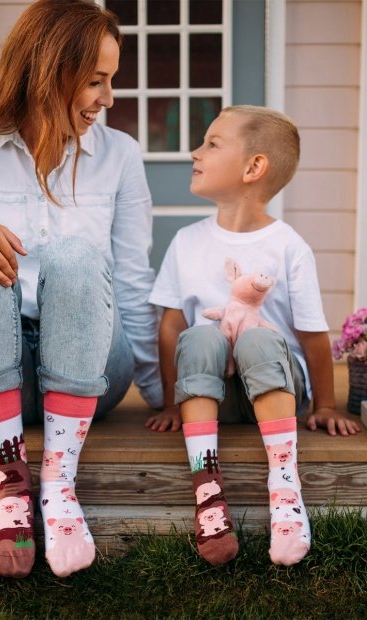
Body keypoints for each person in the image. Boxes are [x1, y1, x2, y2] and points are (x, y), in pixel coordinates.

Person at [0, 0, 162, 579]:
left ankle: (59, 484)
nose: (108, 98)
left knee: (74, 255)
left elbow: (129, 277)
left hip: (89, 371)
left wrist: (158, 390)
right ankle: (12, 490)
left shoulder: (121, 156)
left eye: (111, 81)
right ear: (48, 72)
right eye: (95, 81)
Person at [147, 105, 361, 568]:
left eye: (211, 143)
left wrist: (325, 404)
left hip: (277, 392)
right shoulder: (186, 241)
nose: (195, 151)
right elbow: (170, 327)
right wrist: (170, 401)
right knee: (202, 336)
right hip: (212, 396)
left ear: (253, 167)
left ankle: (285, 486)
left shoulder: (288, 246)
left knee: (257, 341)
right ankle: (207, 490)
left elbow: (312, 334)